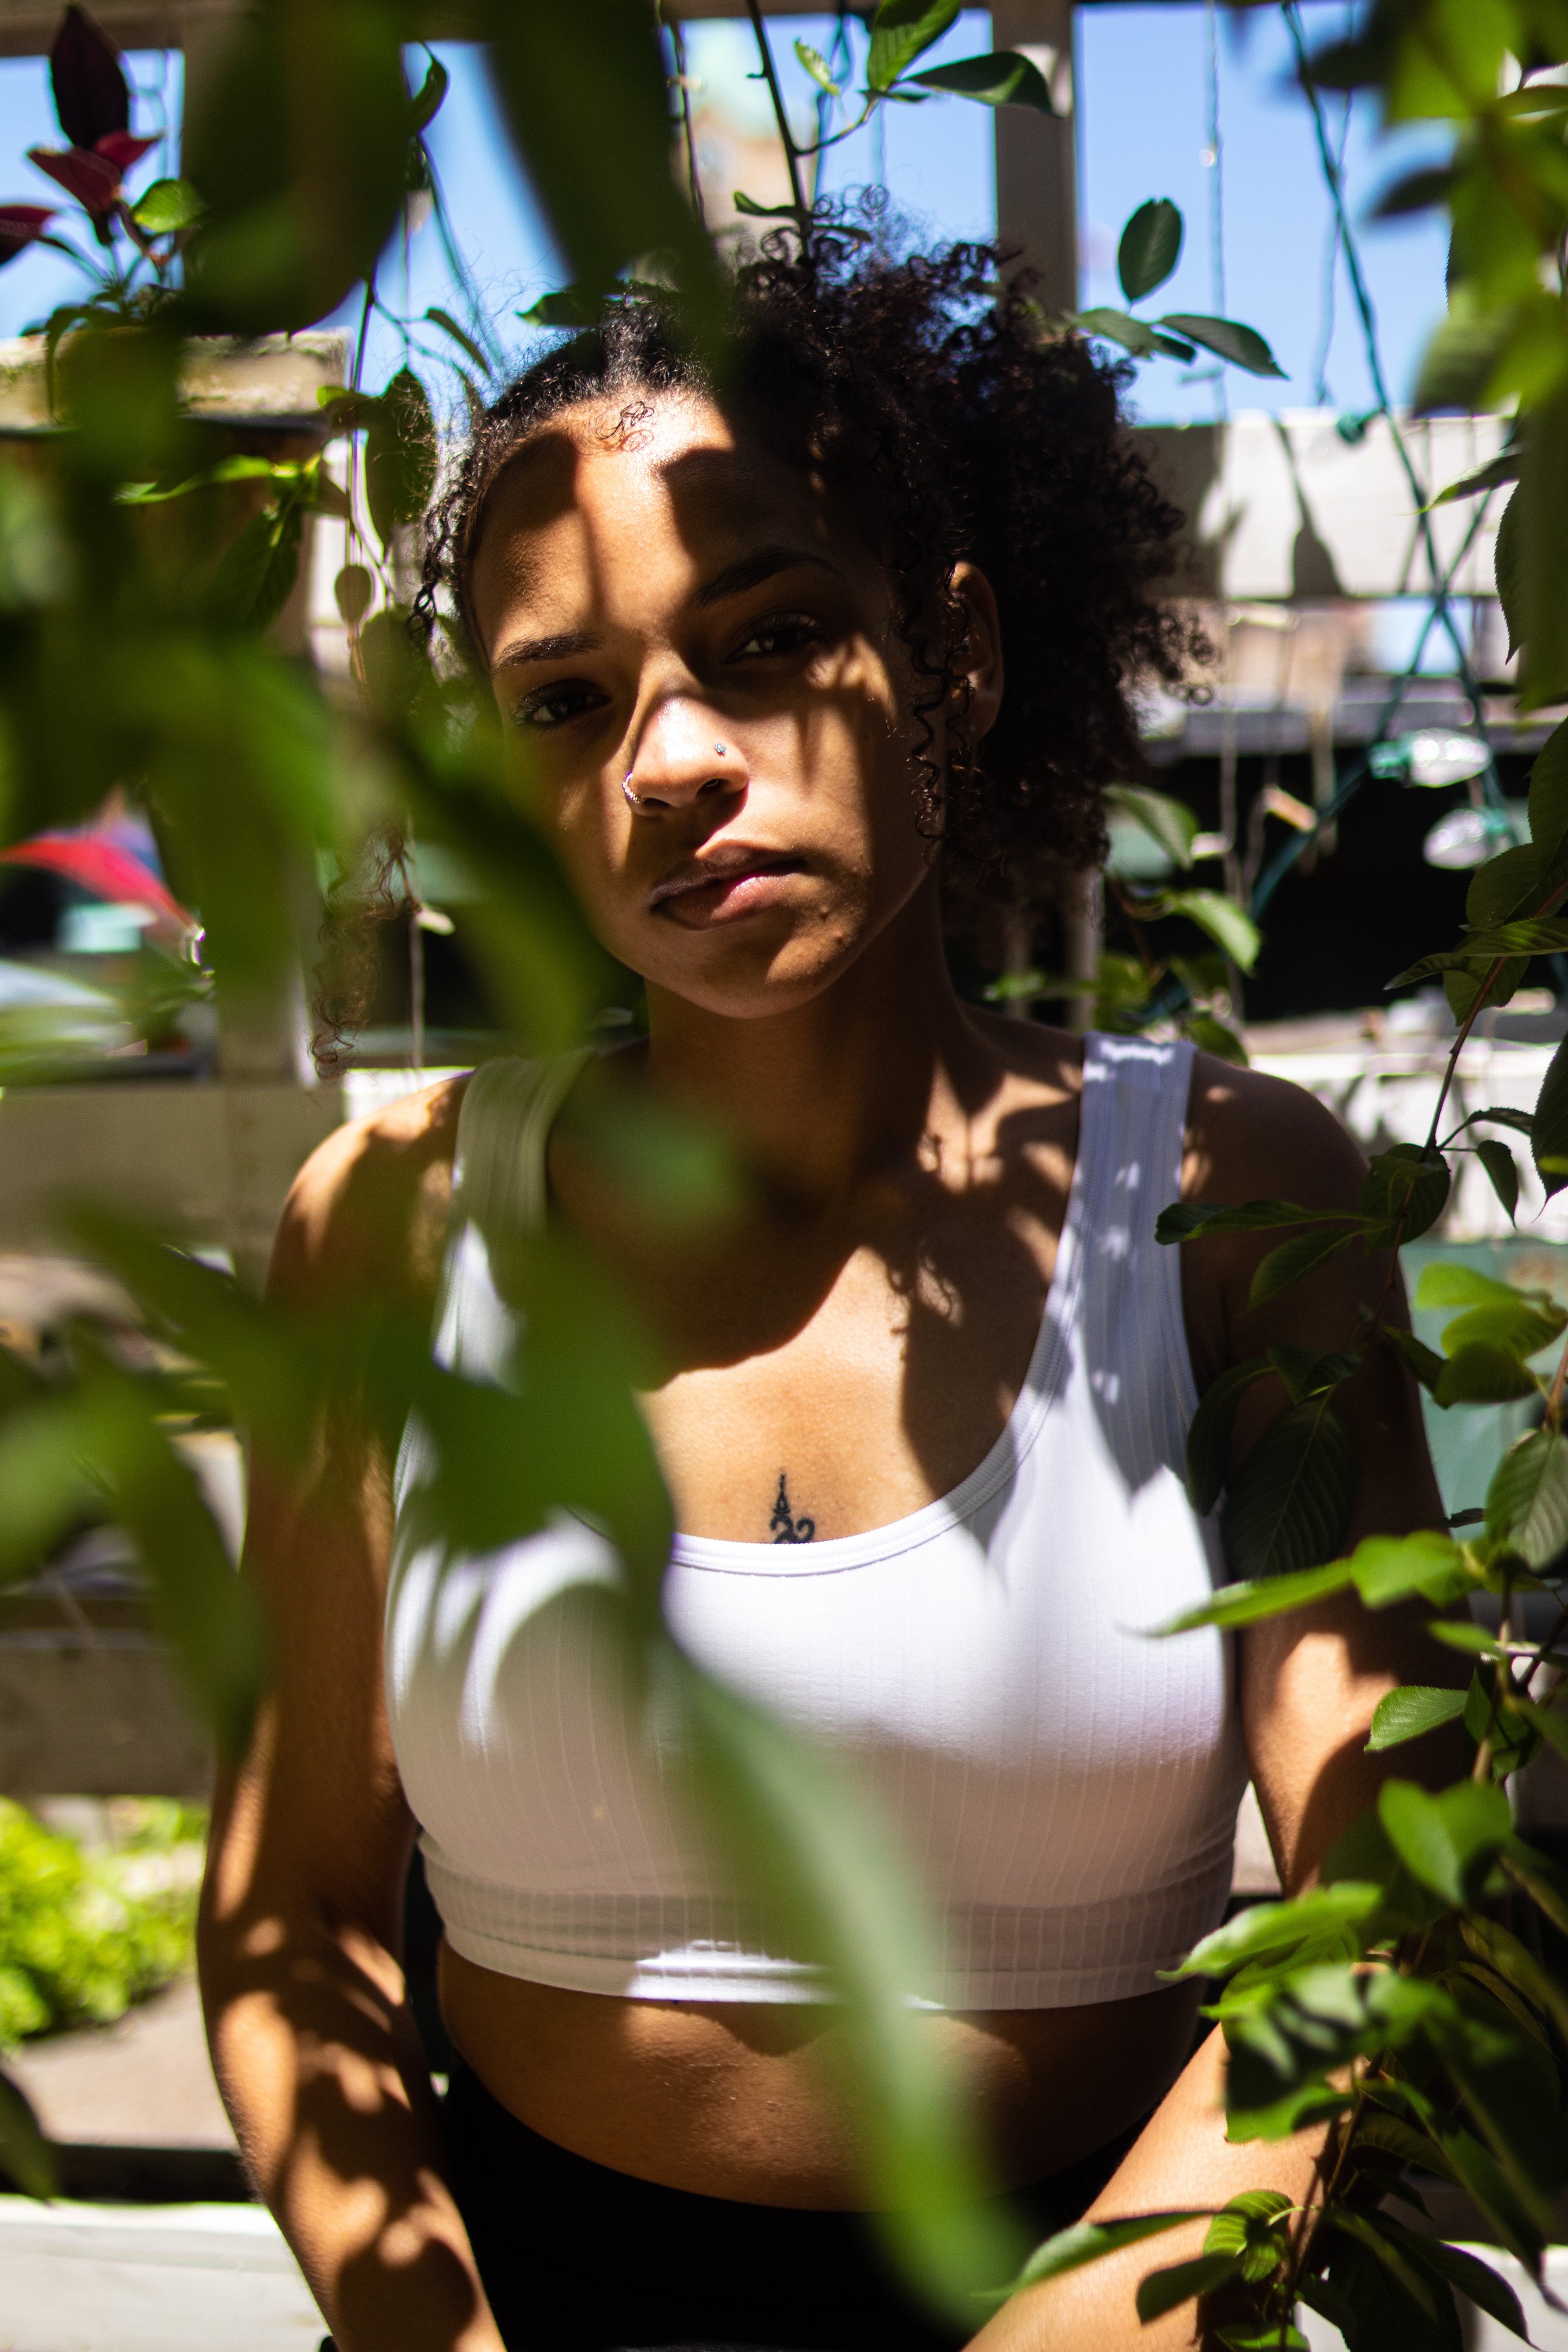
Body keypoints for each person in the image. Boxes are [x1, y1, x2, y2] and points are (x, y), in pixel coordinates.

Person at [198, 230, 1453, 2352]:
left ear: (947, 653)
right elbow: (293, 1910)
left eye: (766, 640)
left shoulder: (1224, 1209)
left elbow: (1386, 1905)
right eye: (564, 701)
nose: (670, 759)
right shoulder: (393, 1230)